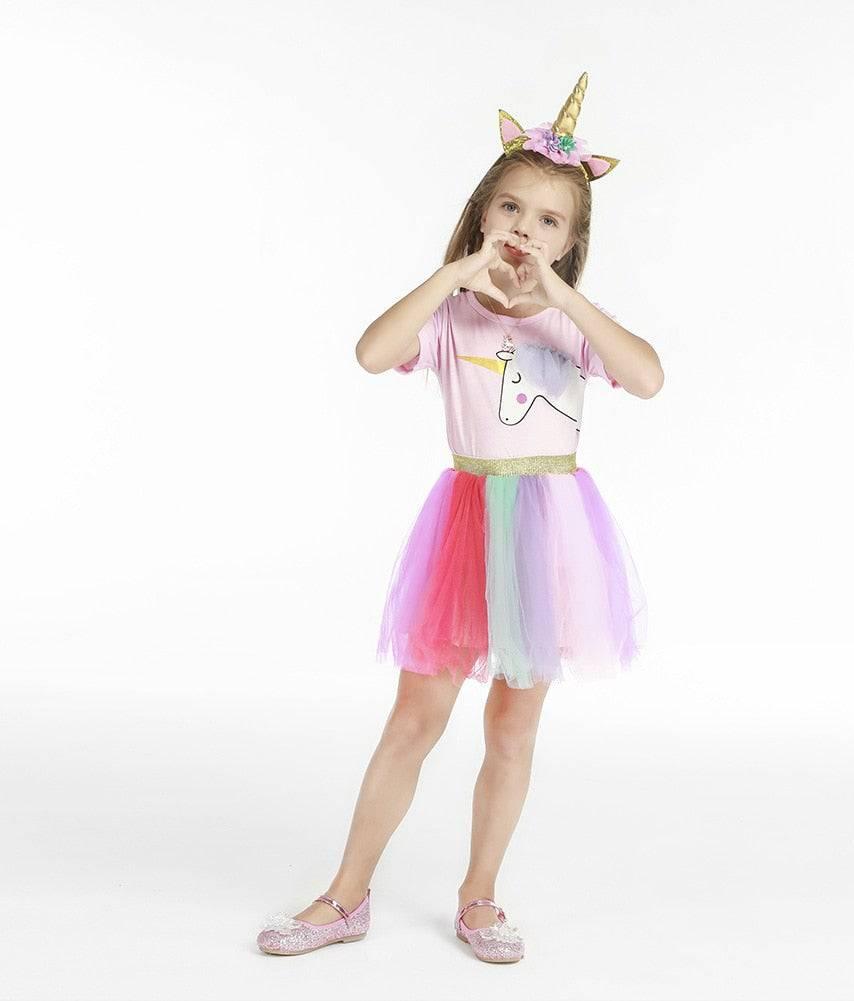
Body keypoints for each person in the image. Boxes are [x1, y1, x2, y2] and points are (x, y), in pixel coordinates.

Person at [256, 71, 664, 965]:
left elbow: (645, 376)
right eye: (510, 208)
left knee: (512, 727)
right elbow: (372, 352)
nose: (525, 227)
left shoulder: (571, 326)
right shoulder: (451, 316)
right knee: (415, 716)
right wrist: (456, 272)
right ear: (483, 213)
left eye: (548, 219)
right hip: (466, 526)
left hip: (548, 532)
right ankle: (345, 894)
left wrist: (561, 296)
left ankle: (480, 895)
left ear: (570, 238)